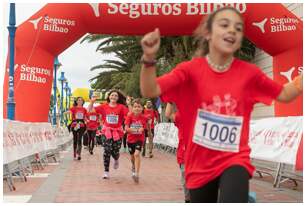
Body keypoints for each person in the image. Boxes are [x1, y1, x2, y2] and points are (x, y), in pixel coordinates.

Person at [139, 7, 303, 202]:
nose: (232, 30)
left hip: (235, 159)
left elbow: (284, 94)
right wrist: (148, 59)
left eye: (238, 28)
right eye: (224, 25)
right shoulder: (189, 71)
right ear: (208, 33)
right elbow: (150, 90)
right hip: (198, 164)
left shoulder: (249, 73)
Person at [89, 89, 128, 179]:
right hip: (106, 131)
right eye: (112, 95)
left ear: (118, 98)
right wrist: (92, 102)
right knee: (107, 151)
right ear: (109, 96)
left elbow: (129, 114)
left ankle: (116, 159)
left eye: (116, 96)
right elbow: (90, 111)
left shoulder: (121, 107)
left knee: (115, 150)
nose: (113, 97)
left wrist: (129, 105)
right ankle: (106, 171)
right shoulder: (104, 106)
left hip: (117, 132)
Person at [165, 103, 190, 203]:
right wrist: (170, 100)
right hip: (184, 154)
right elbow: (168, 114)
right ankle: (187, 199)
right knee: (185, 177)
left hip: (199, 154)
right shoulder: (182, 116)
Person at [125, 99, 148, 183]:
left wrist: (144, 131)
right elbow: (126, 129)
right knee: (132, 157)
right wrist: (136, 130)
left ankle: (137, 174)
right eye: (135, 107)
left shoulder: (144, 118)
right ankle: (133, 166)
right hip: (130, 139)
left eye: (139, 107)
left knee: (137, 154)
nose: (137, 108)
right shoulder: (129, 116)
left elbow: (144, 128)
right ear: (133, 108)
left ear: (142, 108)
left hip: (139, 139)